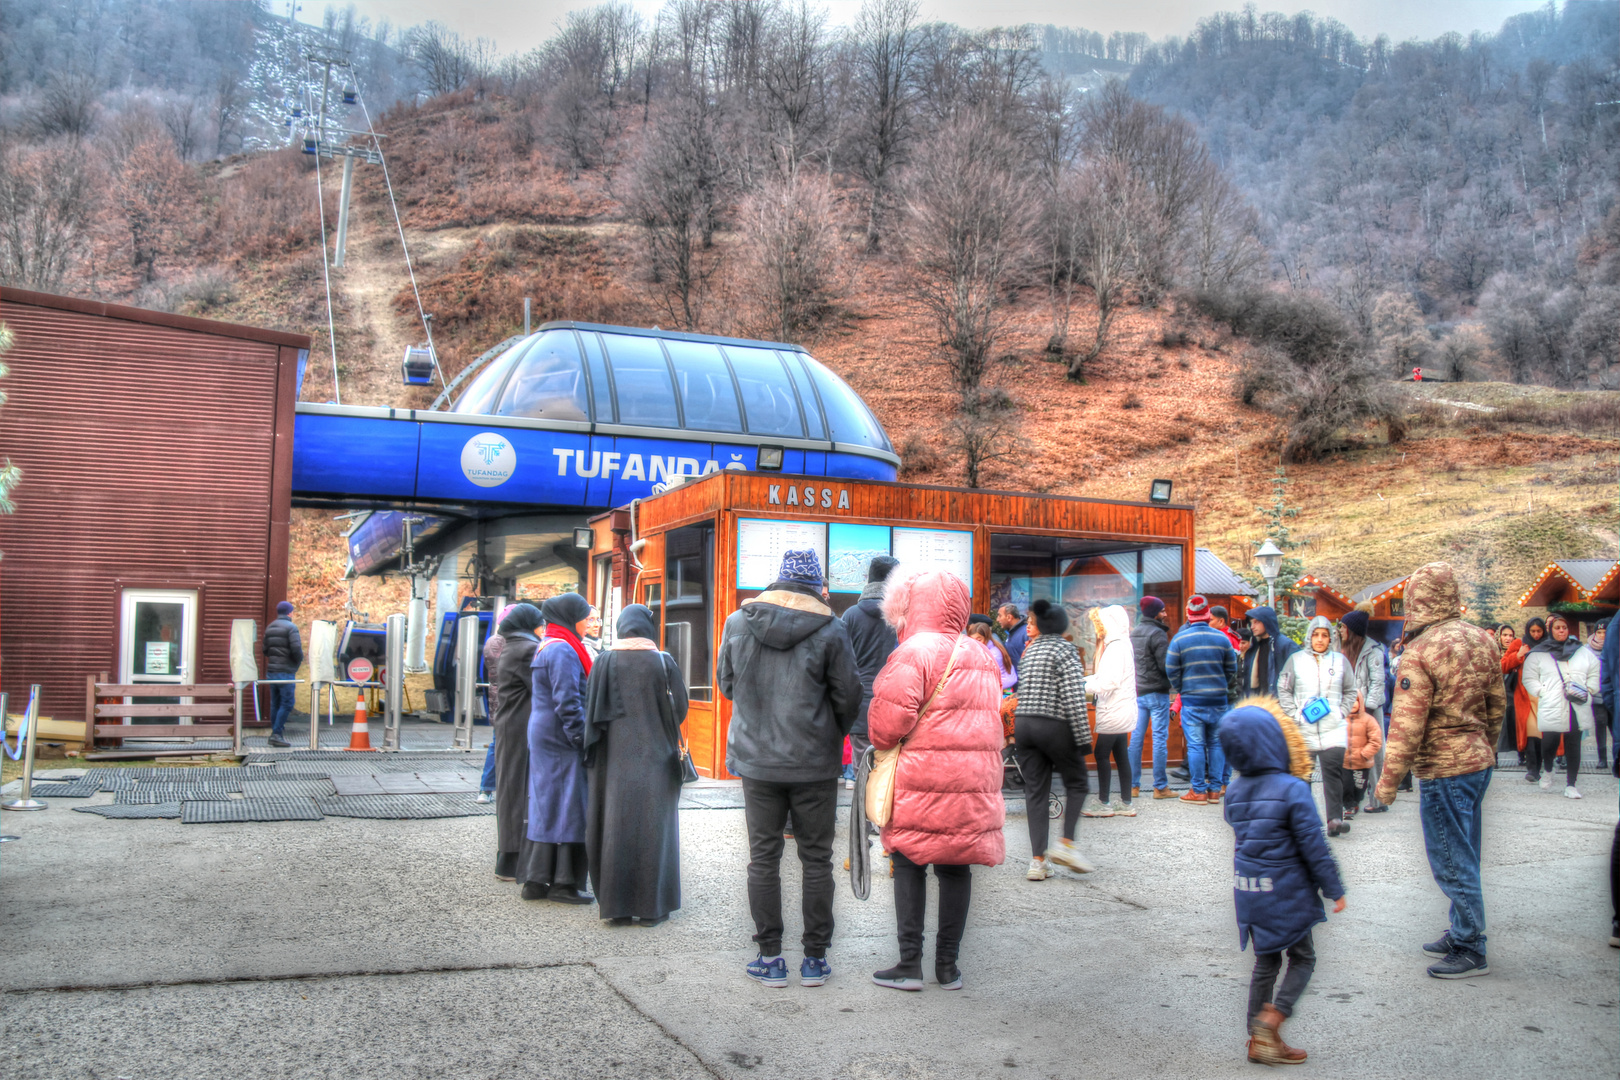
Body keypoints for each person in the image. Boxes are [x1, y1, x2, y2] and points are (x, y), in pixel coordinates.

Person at [717, 549, 862, 989]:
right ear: (817, 585)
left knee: (764, 857)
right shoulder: (832, 628)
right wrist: (828, 732)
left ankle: (769, 956)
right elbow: (849, 695)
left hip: (757, 761)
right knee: (816, 858)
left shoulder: (738, 621)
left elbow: (726, 684)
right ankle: (815, 960)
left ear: (777, 580)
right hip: (813, 762)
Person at [867, 570, 1005, 991]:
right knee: (956, 868)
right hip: (972, 781)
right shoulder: (981, 654)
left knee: (908, 862)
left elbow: (887, 724)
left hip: (921, 778)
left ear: (908, 607)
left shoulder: (915, 651)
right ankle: (948, 966)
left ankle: (909, 963)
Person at [1374, 562, 1504, 979]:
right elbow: (1497, 704)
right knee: (1467, 851)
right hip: (1476, 760)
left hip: (1444, 766)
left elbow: (1407, 724)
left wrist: (1388, 783)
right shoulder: (1481, 638)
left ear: (1416, 600)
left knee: (1450, 857)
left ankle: (1470, 945)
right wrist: (1486, 747)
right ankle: (1461, 928)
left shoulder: (1422, 650)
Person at [1218, 699, 1347, 1067]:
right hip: (1286, 889)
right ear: (1275, 740)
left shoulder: (1235, 790)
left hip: (1249, 889)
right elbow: (1314, 845)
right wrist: (1333, 888)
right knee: (1303, 957)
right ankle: (1272, 1018)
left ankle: (1258, 1041)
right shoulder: (1292, 788)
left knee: (1265, 962)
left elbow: (1239, 829)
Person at [582, 605, 688, 926]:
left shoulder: (604, 661)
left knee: (616, 827)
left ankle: (617, 907)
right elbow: (680, 708)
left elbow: (591, 711)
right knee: (655, 830)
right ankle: (651, 908)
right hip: (656, 759)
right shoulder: (662, 661)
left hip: (614, 763)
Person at [519, 592, 595, 904]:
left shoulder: (548, 643)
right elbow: (568, 701)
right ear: (569, 616)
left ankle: (537, 880)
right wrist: (581, 738)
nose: (588, 621)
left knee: (547, 802)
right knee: (569, 805)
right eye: (585, 615)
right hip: (560, 736)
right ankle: (564, 883)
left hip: (545, 732)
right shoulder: (564, 649)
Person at [1014, 599, 1094, 880]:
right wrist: (1084, 740)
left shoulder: (1031, 651)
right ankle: (1067, 844)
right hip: (1053, 724)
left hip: (1024, 724)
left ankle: (1038, 861)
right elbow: (1074, 698)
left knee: (1035, 791)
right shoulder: (1065, 650)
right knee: (1078, 782)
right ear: (1062, 625)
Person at [1278, 616, 1359, 836]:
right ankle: (1302, 822)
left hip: (1333, 729)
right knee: (1302, 776)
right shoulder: (1295, 660)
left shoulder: (1340, 662)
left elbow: (1351, 690)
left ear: (1330, 637)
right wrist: (1295, 715)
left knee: (1333, 774)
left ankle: (1334, 820)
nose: (1320, 639)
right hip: (1303, 728)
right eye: (1316, 634)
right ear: (1309, 636)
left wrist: (1341, 711)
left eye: (1325, 635)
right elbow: (1283, 689)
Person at [1166, 595, 1239, 804]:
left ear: (1189, 615)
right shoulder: (1222, 639)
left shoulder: (1179, 640)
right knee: (1216, 744)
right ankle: (1215, 791)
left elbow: (1171, 670)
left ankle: (1198, 791)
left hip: (1192, 701)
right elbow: (1231, 669)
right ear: (1208, 615)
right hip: (1218, 701)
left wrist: (1183, 689)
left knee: (1196, 746)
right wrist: (1220, 686)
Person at [490, 603, 544, 881]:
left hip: (509, 724)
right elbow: (542, 688)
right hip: (520, 726)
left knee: (510, 789)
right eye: (540, 622)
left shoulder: (512, 644)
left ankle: (507, 859)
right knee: (516, 791)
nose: (542, 627)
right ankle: (510, 862)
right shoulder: (527, 648)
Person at [1521, 614, 1598, 799]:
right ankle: (1548, 769)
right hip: (1552, 704)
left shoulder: (1581, 651)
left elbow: (1595, 670)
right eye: (1557, 628)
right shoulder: (1540, 652)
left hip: (1576, 704)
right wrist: (1542, 691)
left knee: (1574, 745)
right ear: (1551, 630)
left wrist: (1589, 689)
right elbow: (1529, 677)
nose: (1561, 630)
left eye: (1564, 627)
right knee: (1549, 744)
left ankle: (1571, 784)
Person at [843, 555, 900, 791]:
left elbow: (843, 664)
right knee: (891, 771)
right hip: (896, 703)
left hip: (860, 704)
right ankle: (885, 823)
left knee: (861, 770)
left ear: (868, 578)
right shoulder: (902, 617)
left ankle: (864, 823)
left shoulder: (851, 615)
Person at [1082, 605, 1137, 818]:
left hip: (1114, 709)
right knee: (1121, 755)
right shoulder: (1122, 644)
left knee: (1101, 754)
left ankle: (1103, 802)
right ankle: (1126, 802)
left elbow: (1109, 681)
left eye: (1101, 624)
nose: (1099, 628)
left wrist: (1081, 686)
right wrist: (1085, 681)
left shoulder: (1115, 648)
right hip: (1121, 708)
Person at [1340, 610, 1388, 814]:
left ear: (1352, 630)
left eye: (1343, 627)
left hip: (1369, 709)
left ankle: (1378, 799)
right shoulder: (1344, 648)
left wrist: (1367, 707)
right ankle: (1352, 800)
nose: (1340, 630)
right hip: (1349, 708)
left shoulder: (1373, 650)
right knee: (1350, 752)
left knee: (1374, 754)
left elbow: (1378, 681)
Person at [1129, 596, 1175, 800]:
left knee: (1136, 740)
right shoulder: (1158, 634)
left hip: (1138, 692)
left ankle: (1132, 786)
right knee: (1159, 739)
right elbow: (1165, 666)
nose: (1165, 614)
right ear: (1155, 613)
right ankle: (1160, 787)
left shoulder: (1134, 633)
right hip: (1157, 692)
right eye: (1162, 611)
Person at [478, 605, 515, 804]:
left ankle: (486, 789)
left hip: (496, 699)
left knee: (497, 744)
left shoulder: (492, 641)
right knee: (498, 745)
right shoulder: (505, 644)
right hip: (506, 701)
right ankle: (487, 788)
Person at [262, 600, 303, 748]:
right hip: (285, 672)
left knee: (276, 703)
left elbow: (265, 650)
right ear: (290, 612)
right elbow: (296, 649)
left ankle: (276, 732)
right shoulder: (291, 627)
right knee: (288, 703)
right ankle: (277, 734)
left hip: (272, 671)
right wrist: (297, 663)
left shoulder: (270, 627)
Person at [1512, 617, 1547, 774]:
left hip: (1544, 696)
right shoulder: (1519, 644)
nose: (1536, 634)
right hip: (1526, 697)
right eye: (1533, 631)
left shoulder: (1549, 645)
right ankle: (1532, 769)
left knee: (1542, 733)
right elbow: (1504, 665)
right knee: (1531, 733)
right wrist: (1518, 656)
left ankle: (1541, 766)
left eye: (1539, 631)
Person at [1242, 606, 1297, 699]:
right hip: (1257, 702)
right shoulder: (1254, 648)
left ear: (1267, 622)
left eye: (1256, 622)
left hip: (1279, 703)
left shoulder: (1285, 645)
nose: (1252, 627)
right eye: (1251, 623)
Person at [1497, 623, 1527, 767]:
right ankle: (1494, 756)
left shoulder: (1518, 650)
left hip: (1513, 691)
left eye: (1510, 635)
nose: (1508, 638)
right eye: (1504, 635)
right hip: (1497, 693)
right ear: (1499, 636)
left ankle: (1522, 754)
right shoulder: (1493, 651)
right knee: (1497, 727)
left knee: (1517, 723)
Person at [967, 619, 1017, 693]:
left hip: (1003, 688)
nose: (976, 643)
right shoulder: (989, 648)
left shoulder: (993, 654)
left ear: (986, 637)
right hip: (1001, 686)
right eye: (973, 640)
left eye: (979, 639)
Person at [1586, 624, 1608, 769]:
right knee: (1600, 725)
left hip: (1612, 693)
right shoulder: (1587, 650)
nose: (1602, 635)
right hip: (1597, 695)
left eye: (1604, 632)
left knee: (1614, 726)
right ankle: (1602, 758)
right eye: (1599, 632)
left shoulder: (1613, 646)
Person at [997, 603, 1028, 671]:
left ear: (1009, 617)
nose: (997, 619)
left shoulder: (1026, 633)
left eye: (999, 616)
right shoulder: (1011, 632)